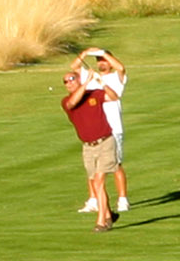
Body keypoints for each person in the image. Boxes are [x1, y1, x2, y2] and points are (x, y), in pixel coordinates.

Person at [61, 67, 121, 232]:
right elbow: (73, 102)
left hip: (105, 142)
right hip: (88, 147)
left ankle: (101, 221)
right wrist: (86, 82)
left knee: (99, 181)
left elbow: (114, 97)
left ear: (78, 79)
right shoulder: (66, 102)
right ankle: (108, 215)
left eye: (72, 79)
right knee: (96, 183)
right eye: (66, 81)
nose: (69, 83)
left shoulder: (94, 94)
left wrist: (103, 84)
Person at [74, 48, 131, 213]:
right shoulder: (89, 76)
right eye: (98, 60)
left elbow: (121, 68)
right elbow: (75, 66)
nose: (101, 63)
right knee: (92, 168)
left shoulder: (116, 77)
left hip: (113, 127)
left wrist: (103, 53)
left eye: (104, 60)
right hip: (96, 128)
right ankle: (93, 200)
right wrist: (85, 53)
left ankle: (123, 199)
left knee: (115, 164)